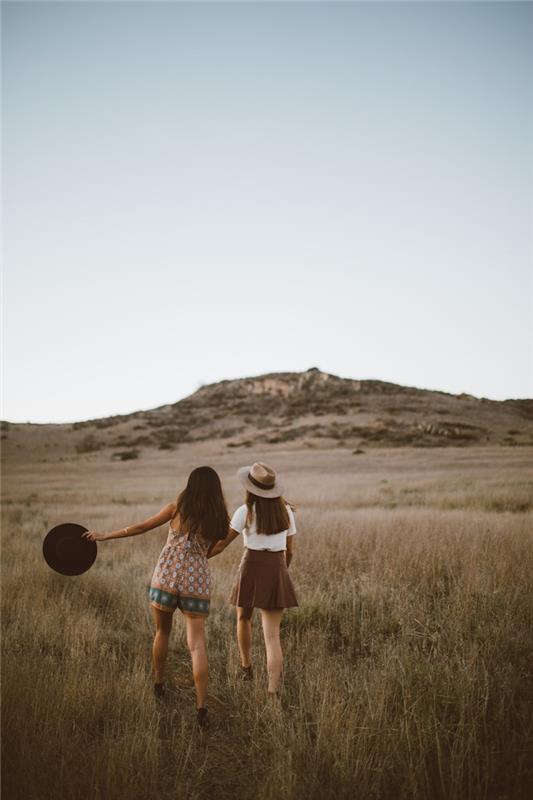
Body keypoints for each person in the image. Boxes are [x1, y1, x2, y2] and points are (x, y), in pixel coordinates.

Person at [83, 465, 229, 728]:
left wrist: (106, 535)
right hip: (197, 581)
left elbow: (142, 527)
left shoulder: (179, 505)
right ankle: (201, 708)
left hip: (166, 576)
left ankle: (159, 684)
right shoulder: (220, 516)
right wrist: (198, 557)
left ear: (191, 484)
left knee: (162, 632)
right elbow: (215, 547)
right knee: (196, 645)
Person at [209, 462, 298, 696]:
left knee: (243, 617)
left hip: (251, 566)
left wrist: (199, 556)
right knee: (272, 636)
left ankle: (246, 666)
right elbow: (290, 551)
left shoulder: (244, 511)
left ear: (250, 488)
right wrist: (281, 572)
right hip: (277, 566)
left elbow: (220, 545)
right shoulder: (286, 511)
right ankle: (272, 692)